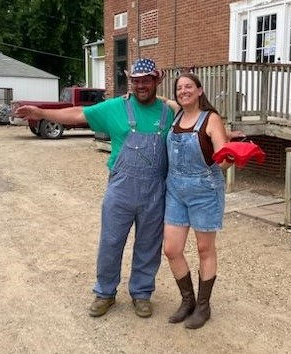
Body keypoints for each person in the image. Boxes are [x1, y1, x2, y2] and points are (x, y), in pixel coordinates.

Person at [15, 58, 175, 319]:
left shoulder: (170, 112)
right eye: (136, 80)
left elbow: (195, 121)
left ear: (157, 80)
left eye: (146, 80)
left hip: (155, 190)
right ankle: (105, 293)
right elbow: (78, 113)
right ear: (131, 82)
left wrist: (222, 135)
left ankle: (142, 293)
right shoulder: (116, 107)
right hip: (121, 188)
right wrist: (42, 113)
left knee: (149, 244)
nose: (141, 85)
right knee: (111, 241)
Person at [162, 72, 234, 329]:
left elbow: (222, 160)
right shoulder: (176, 114)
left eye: (188, 87)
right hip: (176, 191)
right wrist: (130, 94)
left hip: (205, 191)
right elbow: (164, 100)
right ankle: (187, 300)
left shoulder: (211, 119)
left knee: (205, 249)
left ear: (200, 90)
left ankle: (203, 306)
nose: (183, 91)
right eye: (179, 88)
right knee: (171, 249)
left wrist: (230, 158)